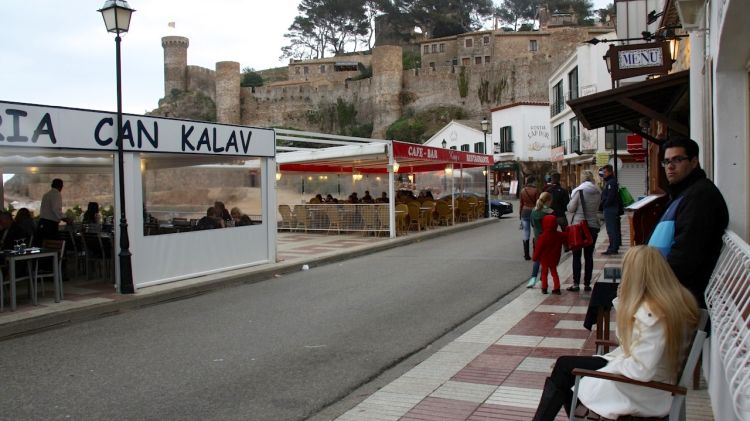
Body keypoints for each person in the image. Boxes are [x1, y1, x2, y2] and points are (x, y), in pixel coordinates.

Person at [531, 246, 699, 421]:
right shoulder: (675, 302)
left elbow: (641, 370)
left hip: (643, 389)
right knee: (564, 367)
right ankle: (578, 412)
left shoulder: (652, 315)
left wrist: (606, 368)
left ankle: (578, 412)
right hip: (652, 382)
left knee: (565, 372)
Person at [648, 137, 729, 308]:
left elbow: (686, 254)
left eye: (678, 160)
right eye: (666, 161)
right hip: (669, 291)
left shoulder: (700, 196)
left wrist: (656, 286)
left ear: (694, 162)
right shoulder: (683, 193)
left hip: (681, 297)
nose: (670, 166)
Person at [566, 170, 602, 292]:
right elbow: (598, 208)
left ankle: (576, 284)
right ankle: (587, 284)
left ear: (582, 179)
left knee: (576, 256)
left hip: (579, 227)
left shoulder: (579, 191)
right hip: (593, 226)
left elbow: (571, 208)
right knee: (589, 256)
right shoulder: (597, 192)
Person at [532, 214, 567, 294]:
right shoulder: (558, 235)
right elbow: (566, 236)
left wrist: (535, 257)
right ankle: (557, 288)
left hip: (544, 258)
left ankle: (544, 288)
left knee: (544, 273)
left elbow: (538, 249)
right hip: (554, 258)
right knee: (554, 273)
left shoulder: (543, 237)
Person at [527, 192, 554, 288]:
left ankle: (533, 279)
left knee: (537, 260)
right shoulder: (550, 212)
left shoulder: (534, 211)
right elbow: (553, 227)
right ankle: (543, 279)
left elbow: (532, 225)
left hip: (537, 239)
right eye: (550, 201)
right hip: (548, 239)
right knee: (546, 261)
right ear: (548, 201)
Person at [36, 178, 69, 245]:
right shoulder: (56, 194)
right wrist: (65, 218)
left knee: (43, 244)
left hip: (42, 222)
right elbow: (56, 209)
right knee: (51, 245)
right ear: (60, 186)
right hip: (50, 224)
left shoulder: (46, 194)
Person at [599, 164, 621, 255]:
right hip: (610, 209)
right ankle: (613, 247)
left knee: (612, 229)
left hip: (611, 209)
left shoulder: (611, 182)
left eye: (605, 172)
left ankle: (613, 248)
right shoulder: (610, 182)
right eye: (603, 172)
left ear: (610, 172)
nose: (604, 174)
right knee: (612, 229)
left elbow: (610, 197)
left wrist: (604, 205)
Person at [519, 176, 540, 260]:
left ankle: (526, 255)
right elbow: (538, 203)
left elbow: (521, 204)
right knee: (536, 231)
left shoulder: (522, 191)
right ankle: (536, 252)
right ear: (533, 182)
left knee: (526, 232)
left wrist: (520, 215)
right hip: (534, 212)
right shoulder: (536, 190)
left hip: (524, 212)